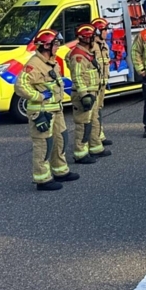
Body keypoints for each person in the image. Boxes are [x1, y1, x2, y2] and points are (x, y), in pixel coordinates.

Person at [14, 29, 80, 191]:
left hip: (56, 109)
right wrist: (39, 96)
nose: (58, 47)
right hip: (41, 112)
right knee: (43, 145)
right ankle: (42, 179)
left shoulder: (52, 62)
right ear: (46, 46)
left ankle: (60, 171)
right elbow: (20, 85)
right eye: (55, 44)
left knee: (60, 139)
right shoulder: (34, 64)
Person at [68, 24, 111, 163]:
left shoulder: (88, 52)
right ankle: (80, 154)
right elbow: (78, 77)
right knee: (83, 124)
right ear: (87, 39)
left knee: (94, 120)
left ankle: (95, 147)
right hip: (85, 95)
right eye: (93, 37)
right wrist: (84, 95)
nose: (95, 39)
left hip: (93, 92)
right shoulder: (78, 56)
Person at [91, 17, 113, 146]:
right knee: (93, 112)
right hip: (94, 85)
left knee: (99, 110)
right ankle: (94, 138)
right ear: (98, 31)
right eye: (105, 30)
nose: (107, 32)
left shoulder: (104, 45)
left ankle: (100, 135)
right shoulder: (91, 46)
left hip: (102, 84)